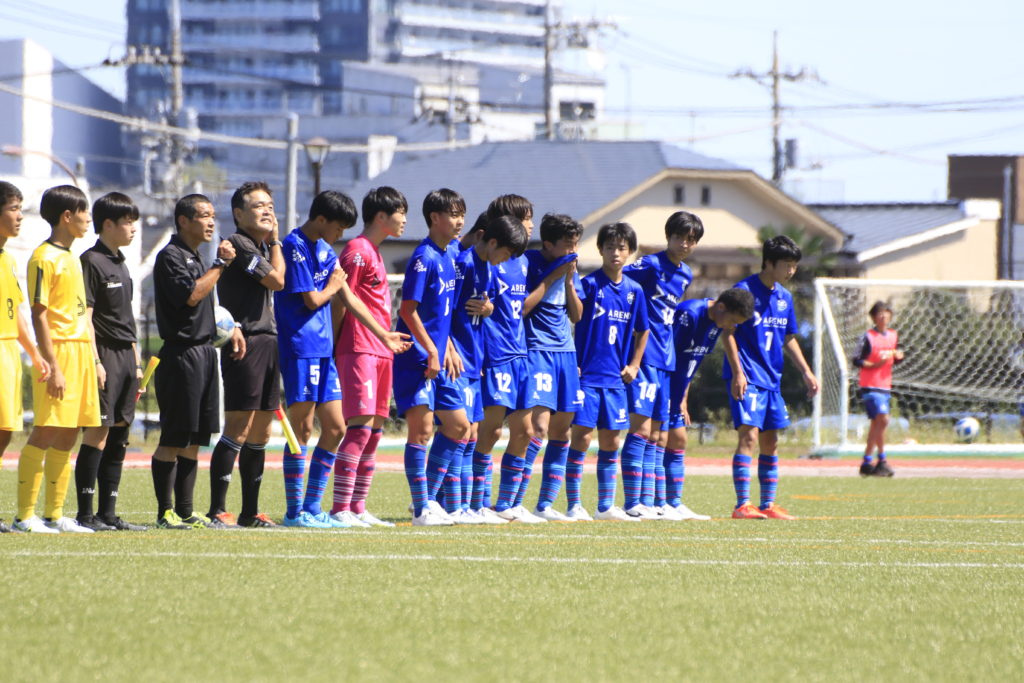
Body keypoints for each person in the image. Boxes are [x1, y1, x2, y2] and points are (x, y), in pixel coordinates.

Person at [276, 190, 409, 529]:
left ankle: (313, 507)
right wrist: (334, 286)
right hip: (302, 347)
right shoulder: (294, 245)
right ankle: (295, 512)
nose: (340, 235)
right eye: (338, 228)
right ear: (321, 219)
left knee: (336, 428)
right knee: (302, 428)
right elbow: (311, 300)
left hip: (324, 350)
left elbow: (349, 297)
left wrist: (383, 334)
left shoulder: (325, 250)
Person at [151, 193, 245, 530]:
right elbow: (191, 295)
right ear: (184, 221)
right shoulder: (170, 256)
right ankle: (165, 512)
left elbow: (207, 306)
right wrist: (220, 265)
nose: (211, 222)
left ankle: (186, 511)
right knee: (174, 437)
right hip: (181, 355)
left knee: (195, 438)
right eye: (204, 215)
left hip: (205, 353)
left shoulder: (194, 257)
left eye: (212, 215)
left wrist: (232, 327)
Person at [14, 185, 100, 533]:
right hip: (59, 351)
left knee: (69, 433)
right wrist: (52, 365)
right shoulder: (43, 257)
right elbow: (39, 315)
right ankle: (24, 517)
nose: (88, 219)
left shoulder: (72, 257)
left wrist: (93, 359)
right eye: (84, 212)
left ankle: (55, 514)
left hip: (81, 351)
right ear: (67, 216)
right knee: (46, 430)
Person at [328, 187, 413, 528]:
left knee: (375, 432)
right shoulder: (357, 250)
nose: (405, 219)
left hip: (381, 349)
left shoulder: (374, 252)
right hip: (359, 348)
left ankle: (358, 507)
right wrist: (337, 346)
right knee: (359, 430)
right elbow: (341, 298)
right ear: (381, 216)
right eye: (401, 212)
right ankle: (340, 509)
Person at [722, 235, 819, 520]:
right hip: (748, 376)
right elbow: (728, 332)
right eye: (787, 265)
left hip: (771, 379)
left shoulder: (784, 298)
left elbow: (788, 337)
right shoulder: (743, 291)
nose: (791, 271)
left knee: (771, 441)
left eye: (794, 265)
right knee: (749, 436)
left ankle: (767, 504)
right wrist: (737, 372)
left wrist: (806, 371)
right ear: (769, 263)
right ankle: (742, 505)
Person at [209, 181, 285, 527]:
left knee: (262, 432)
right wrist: (277, 242)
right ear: (239, 215)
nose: (267, 211)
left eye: (270, 205)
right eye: (258, 206)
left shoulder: (259, 247)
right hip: (246, 342)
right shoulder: (240, 244)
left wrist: (271, 244)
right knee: (238, 427)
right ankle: (217, 510)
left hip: (268, 340)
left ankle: (250, 512)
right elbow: (277, 281)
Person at [394, 188, 471, 527]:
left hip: (438, 357)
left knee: (458, 426)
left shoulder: (450, 254)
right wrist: (432, 350)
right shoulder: (423, 257)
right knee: (422, 431)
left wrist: (447, 346)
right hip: (418, 358)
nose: (460, 221)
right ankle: (422, 510)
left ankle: (426, 502)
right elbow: (407, 311)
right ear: (434, 218)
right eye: (454, 215)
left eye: (462, 214)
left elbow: (443, 313)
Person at [442, 213, 526, 524]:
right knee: (460, 431)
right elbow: (444, 310)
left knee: (472, 432)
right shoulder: (463, 264)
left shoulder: (488, 268)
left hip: (475, 358)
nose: (506, 260)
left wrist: (489, 308)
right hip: (458, 358)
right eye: (506, 252)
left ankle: (469, 505)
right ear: (491, 242)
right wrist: (448, 347)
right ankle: (442, 503)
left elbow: (488, 305)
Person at [621, 211, 702, 519]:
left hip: (666, 359)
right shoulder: (650, 264)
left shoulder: (686, 274)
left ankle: (653, 502)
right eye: (679, 237)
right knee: (641, 429)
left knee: (659, 435)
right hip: (644, 356)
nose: (684, 244)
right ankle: (633, 502)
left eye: (691, 240)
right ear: (668, 236)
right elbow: (618, 279)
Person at [74, 192, 146, 531]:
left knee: (120, 434)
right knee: (98, 432)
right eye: (127, 222)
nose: (133, 228)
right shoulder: (90, 261)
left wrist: (137, 362)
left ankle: (108, 513)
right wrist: (95, 361)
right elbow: (86, 317)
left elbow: (126, 319)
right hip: (103, 354)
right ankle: (86, 515)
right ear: (108, 224)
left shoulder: (122, 263)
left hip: (126, 357)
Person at [567, 222, 649, 522]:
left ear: (630, 252)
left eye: (622, 248)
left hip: (616, 379)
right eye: (610, 247)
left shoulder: (635, 291)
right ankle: (574, 504)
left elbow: (643, 330)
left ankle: (605, 507)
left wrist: (635, 364)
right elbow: (572, 316)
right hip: (587, 377)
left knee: (612, 441)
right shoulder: (589, 285)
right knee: (582, 437)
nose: (616, 253)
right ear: (600, 249)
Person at [474, 194, 546, 523]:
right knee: (489, 431)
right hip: (495, 355)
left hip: (521, 354)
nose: (531, 225)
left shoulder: (523, 261)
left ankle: (505, 505)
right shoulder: (489, 260)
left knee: (526, 431)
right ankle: (473, 501)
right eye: (527, 218)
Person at [663, 288, 754, 520]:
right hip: (662, 386)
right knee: (660, 440)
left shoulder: (716, 325)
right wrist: (668, 393)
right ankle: (653, 503)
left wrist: (683, 398)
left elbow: (691, 362)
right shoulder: (689, 315)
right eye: (733, 321)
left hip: (676, 390)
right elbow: (667, 356)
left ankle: (672, 503)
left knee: (678, 440)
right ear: (721, 307)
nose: (732, 327)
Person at [523, 213, 584, 522]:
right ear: (548, 244)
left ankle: (545, 505)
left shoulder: (571, 269)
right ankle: (513, 501)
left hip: (566, 352)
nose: (573, 250)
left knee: (562, 431)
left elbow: (577, 315)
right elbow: (522, 307)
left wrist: (569, 281)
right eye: (568, 244)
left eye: (576, 244)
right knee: (538, 428)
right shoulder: (530, 263)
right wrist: (552, 276)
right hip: (538, 350)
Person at [0, 181, 50, 533]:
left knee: (5, 431)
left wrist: (34, 352)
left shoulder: (7, 258)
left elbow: (14, 310)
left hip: (8, 353)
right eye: (14, 209)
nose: (19, 216)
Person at [852, 300, 903, 477]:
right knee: (884, 419)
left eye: (885, 313)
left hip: (885, 386)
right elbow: (856, 359)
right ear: (874, 317)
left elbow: (896, 356)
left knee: (877, 423)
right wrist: (875, 364)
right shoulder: (867, 337)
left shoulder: (893, 335)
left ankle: (868, 462)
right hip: (870, 386)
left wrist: (899, 356)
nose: (883, 316)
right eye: (879, 314)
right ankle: (881, 460)